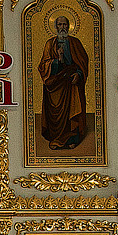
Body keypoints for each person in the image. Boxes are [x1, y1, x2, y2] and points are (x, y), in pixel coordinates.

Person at [37, 15, 90, 150]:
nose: (62, 27)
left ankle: (72, 138)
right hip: (55, 85)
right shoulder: (50, 44)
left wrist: (78, 74)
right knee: (56, 113)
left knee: (73, 110)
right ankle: (56, 138)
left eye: (65, 25)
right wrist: (57, 60)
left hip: (71, 83)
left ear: (69, 26)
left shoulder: (75, 43)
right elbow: (43, 65)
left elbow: (83, 62)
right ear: (56, 27)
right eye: (60, 25)